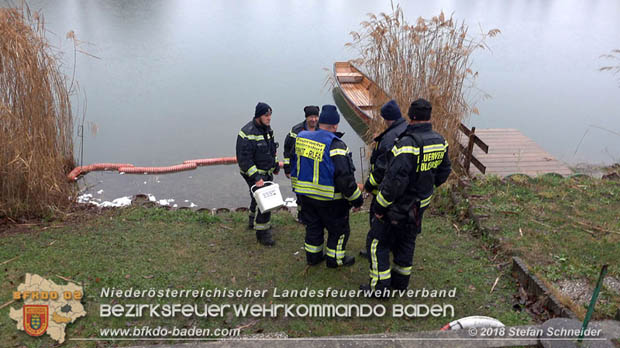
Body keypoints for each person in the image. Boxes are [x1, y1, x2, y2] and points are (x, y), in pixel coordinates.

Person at [362, 98, 451, 294]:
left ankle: (380, 288)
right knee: (406, 241)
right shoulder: (440, 141)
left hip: (398, 206)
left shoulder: (406, 145)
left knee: (378, 242)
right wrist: (427, 186)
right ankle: (400, 283)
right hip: (420, 205)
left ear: (410, 117)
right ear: (429, 117)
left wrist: (379, 208)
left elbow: (393, 183)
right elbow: (444, 171)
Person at [291, 105, 364, 267]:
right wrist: (357, 200)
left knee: (313, 228)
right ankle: (335, 259)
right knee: (339, 231)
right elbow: (345, 179)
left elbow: (295, 166)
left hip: (306, 197)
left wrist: (298, 192)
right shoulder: (337, 146)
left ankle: (313, 257)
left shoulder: (302, 138)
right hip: (331, 200)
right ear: (335, 125)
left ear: (320, 122)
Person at [360, 99, 408, 259]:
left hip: (383, 188)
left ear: (388, 118)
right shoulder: (405, 128)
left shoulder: (389, 139)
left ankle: (375, 247)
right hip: (400, 188)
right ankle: (391, 245)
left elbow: (381, 168)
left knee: (377, 219)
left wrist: (368, 185)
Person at [236, 102, 280, 246]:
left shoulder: (267, 130)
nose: (269, 118)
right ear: (258, 116)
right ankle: (263, 233)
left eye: (270, 115)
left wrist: (275, 165)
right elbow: (244, 159)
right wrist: (256, 178)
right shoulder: (247, 133)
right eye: (266, 115)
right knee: (265, 202)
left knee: (256, 198)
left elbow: (272, 149)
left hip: (265, 171)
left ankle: (251, 220)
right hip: (252, 173)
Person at [283, 106, 319, 224]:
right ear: (306, 117)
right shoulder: (296, 131)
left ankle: (314, 215)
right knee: (300, 195)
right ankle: (301, 216)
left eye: (315, 116)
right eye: (311, 117)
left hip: (315, 169)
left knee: (314, 194)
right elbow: (288, 149)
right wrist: (287, 168)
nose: (313, 119)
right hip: (298, 169)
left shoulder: (321, 129)